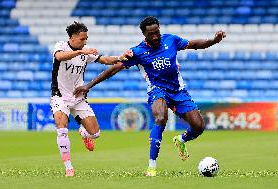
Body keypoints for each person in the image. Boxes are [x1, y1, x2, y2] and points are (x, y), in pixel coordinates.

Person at [73, 16, 226, 177]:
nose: (155, 36)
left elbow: (194, 44)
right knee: (160, 118)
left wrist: (214, 41)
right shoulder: (138, 52)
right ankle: (151, 167)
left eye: (157, 32)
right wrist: (89, 85)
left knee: (199, 126)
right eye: (151, 34)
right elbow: (115, 68)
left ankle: (180, 140)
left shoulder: (171, 40)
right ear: (144, 35)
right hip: (157, 90)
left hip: (178, 91)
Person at [50, 21, 131, 177]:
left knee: (95, 133)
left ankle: (84, 132)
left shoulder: (85, 51)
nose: (85, 42)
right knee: (62, 129)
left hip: (78, 97)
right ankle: (69, 168)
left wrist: (120, 57)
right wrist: (82, 52)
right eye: (82, 39)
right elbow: (60, 57)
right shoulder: (61, 46)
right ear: (72, 38)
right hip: (59, 96)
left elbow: (105, 60)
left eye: (86, 38)